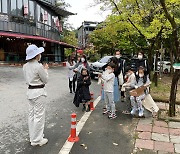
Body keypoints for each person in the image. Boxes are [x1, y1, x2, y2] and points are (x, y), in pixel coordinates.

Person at [23, 44, 49, 146]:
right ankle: (37, 140)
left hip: (30, 92)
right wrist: (46, 69)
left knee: (31, 116)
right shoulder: (38, 66)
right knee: (39, 116)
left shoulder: (25, 66)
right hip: (39, 92)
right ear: (36, 55)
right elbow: (45, 80)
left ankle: (33, 137)